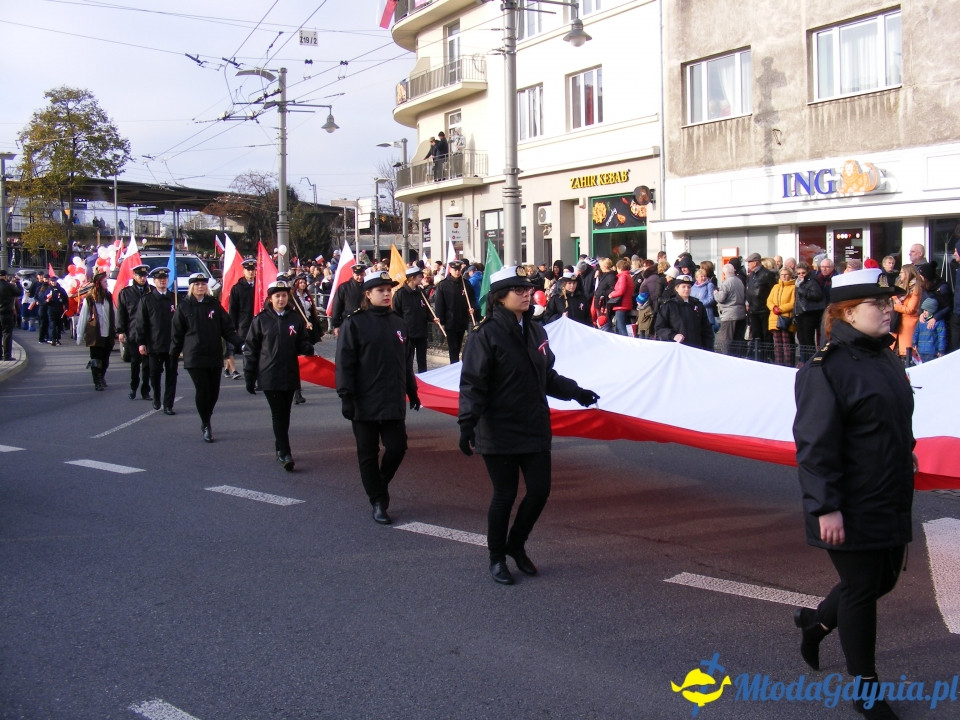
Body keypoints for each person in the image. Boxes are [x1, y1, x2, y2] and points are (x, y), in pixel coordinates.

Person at [793, 268, 915, 720]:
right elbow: (815, 445)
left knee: (882, 581)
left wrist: (907, 453)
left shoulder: (886, 357)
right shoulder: (826, 369)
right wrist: (825, 507)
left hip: (889, 492)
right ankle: (867, 690)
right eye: (877, 304)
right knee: (862, 590)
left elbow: (894, 419)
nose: (888, 310)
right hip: (850, 500)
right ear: (846, 313)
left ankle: (816, 623)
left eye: (889, 302)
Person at [458, 265, 599, 585]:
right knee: (505, 495)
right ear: (499, 297)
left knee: (539, 490)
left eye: (528, 289)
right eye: (518, 290)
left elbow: (546, 376)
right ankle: (497, 558)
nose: (526, 294)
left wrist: (576, 392)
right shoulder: (484, 335)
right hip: (499, 428)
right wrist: (467, 423)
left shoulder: (537, 331)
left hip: (533, 424)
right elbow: (473, 384)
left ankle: (516, 544)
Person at [336, 268, 420, 525]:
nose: (386, 294)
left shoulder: (398, 323)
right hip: (364, 400)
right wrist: (346, 396)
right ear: (367, 294)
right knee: (368, 453)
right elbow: (345, 363)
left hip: (392, 399)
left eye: (388, 290)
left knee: (397, 447)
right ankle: (377, 501)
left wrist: (412, 390)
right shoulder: (354, 323)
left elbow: (405, 363)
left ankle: (380, 484)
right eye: (380, 290)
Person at [244, 280, 315, 471]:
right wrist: (249, 376)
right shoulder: (261, 320)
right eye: (277, 296)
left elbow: (302, 342)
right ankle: (285, 452)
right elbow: (251, 350)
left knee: (285, 413)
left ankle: (280, 447)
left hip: (290, 373)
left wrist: (307, 348)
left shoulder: (295, 318)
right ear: (270, 299)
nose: (281, 299)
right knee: (278, 414)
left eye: (284, 295)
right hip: (269, 374)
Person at [170, 273, 244, 443]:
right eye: (197, 284)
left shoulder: (214, 305)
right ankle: (206, 423)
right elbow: (177, 334)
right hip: (194, 356)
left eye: (203, 284)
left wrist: (241, 344)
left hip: (213, 354)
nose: (200, 287)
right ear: (191, 287)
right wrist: (173, 356)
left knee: (214, 392)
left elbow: (227, 329)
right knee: (202, 390)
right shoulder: (184, 307)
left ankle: (206, 414)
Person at [135, 267, 178, 415]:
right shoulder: (147, 300)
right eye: (159, 279)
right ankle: (157, 397)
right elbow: (141, 323)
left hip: (172, 344)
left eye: (165, 278)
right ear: (154, 281)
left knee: (172, 376)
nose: (162, 281)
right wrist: (141, 342)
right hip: (154, 344)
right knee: (154, 374)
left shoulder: (174, 298)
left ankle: (168, 404)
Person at [116, 264, 153, 400]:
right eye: (140, 276)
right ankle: (133, 388)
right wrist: (121, 331)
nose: (143, 278)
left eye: (144, 276)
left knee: (147, 365)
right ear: (134, 276)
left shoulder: (152, 291)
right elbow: (121, 313)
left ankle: (145, 390)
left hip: (149, 334)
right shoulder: (126, 293)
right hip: (133, 333)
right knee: (135, 363)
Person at [75, 268, 116, 391]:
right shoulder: (90, 298)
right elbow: (83, 317)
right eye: (104, 282)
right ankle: (97, 381)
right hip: (95, 335)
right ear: (98, 283)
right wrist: (79, 335)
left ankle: (102, 376)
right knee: (96, 360)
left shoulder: (108, 296)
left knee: (105, 359)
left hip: (107, 333)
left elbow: (114, 312)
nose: (106, 283)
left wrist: (119, 328)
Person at [655, 274, 714, 350]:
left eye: (689, 287)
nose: (686, 289)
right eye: (683, 286)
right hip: (676, 348)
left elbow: (706, 330)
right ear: (677, 288)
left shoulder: (698, 305)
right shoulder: (669, 306)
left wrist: (708, 349)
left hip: (696, 348)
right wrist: (673, 335)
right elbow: (660, 327)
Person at [434, 260, 477, 362]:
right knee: (453, 348)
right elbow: (439, 304)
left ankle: (456, 364)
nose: (457, 272)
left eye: (459, 270)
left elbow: (472, 299)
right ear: (450, 270)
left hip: (462, 320)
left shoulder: (465, 284)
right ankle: (453, 365)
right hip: (450, 321)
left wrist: (472, 307)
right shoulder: (443, 285)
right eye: (455, 270)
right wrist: (442, 322)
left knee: (458, 346)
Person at [291, 273, 323, 404]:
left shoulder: (307, 296)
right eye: (300, 282)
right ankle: (296, 391)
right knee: (297, 360)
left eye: (304, 282)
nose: (303, 285)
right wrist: (302, 323)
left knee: (307, 353)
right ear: (296, 284)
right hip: (297, 331)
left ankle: (299, 384)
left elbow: (311, 312)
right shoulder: (292, 297)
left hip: (308, 329)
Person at [392, 266, 432, 373]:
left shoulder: (421, 292)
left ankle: (423, 378)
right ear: (413, 278)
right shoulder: (400, 294)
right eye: (420, 276)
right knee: (408, 360)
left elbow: (426, 310)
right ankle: (408, 379)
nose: (422, 278)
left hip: (421, 332)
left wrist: (433, 318)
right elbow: (396, 315)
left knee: (422, 360)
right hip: (408, 333)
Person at [227, 258, 257, 378]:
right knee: (248, 352)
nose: (251, 272)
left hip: (259, 323)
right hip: (244, 325)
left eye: (253, 269)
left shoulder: (259, 286)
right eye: (248, 270)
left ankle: (258, 376)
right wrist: (233, 327)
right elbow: (233, 310)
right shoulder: (237, 288)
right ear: (243, 271)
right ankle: (250, 377)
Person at [794, 262, 825, 363]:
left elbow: (817, 295)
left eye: (803, 273)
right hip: (800, 312)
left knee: (808, 339)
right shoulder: (798, 282)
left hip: (810, 312)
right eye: (799, 273)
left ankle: (811, 361)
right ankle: (805, 360)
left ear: (807, 272)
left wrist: (801, 290)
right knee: (801, 338)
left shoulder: (812, 281)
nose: (801, 275)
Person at [713, 263, 746, 355]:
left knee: (726, 340)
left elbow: (720, 298)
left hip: (729, 315)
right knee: (738, 341)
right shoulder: (739, 281)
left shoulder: (726, 283)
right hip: (741, 313)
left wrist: (715, 293)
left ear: (724, 273)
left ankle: (727, 358)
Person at [767, 266, 797, 367]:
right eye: (782, 275)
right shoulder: (775, 287)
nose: (784, 276)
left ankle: (788, 365)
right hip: (774, 318)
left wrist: (781, 309)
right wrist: (773, 307)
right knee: (777, 345)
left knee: (787, 344)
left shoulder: (793, 287)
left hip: (786, 319)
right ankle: (779, 365)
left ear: (790, 275)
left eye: (786, 274)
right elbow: (769, 301)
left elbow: (793, 303)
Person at [891, 264, 921, 361]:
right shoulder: (899, 286)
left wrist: (894, 306)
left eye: (902, 272)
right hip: (896, 322)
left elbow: (910, 310)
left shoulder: (915, 289)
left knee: (906, 355)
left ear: (908, 273)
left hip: (907, 325)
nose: (900, 274)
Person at [330, 264, 366, 337]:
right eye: (357, 275)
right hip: (349, 321)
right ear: (353, 274)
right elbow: (337, 306)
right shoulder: (344, 287)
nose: (360, 277)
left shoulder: (368, 286)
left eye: (361, 275)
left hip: (365, 322)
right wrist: (336, 325)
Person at [912, 297, 946, 363]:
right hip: (926, 351)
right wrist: (914, 343)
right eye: (923, 310)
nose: (924, 312)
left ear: (932, 310)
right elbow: (916, 332)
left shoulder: (937, 322)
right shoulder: (922, 320)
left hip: (928, 351)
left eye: (926, 310)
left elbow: (941, 337)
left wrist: (941, 350)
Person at [609, 258, 635, 336]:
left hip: (621, 304)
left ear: (620, 268)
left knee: (621, 327)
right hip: (626, 304)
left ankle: (625, 342)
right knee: (624, 326)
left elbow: (621, 290)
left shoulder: (623, 276)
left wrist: (612, 294)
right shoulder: (628, 276)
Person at [44, 276, 68, 347]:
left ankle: (57, 338)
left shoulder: (61, 289)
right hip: (51, 308)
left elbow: (65, 298)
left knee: (59, 325)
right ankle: (53, 339)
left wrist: (66, 306)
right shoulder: (48, 289)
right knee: (52, 324)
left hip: (59, 309)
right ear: (50, 282)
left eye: (54, 281)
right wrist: (46, 301)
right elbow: (43, 298)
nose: (53, 282)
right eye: (52, 281)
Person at [0, 269, 18, 361]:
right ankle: (7, 356)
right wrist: (16, 283)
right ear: (5, 276)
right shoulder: (8, 286)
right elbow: (19, 292)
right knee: (7, 334)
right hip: (6, 313)